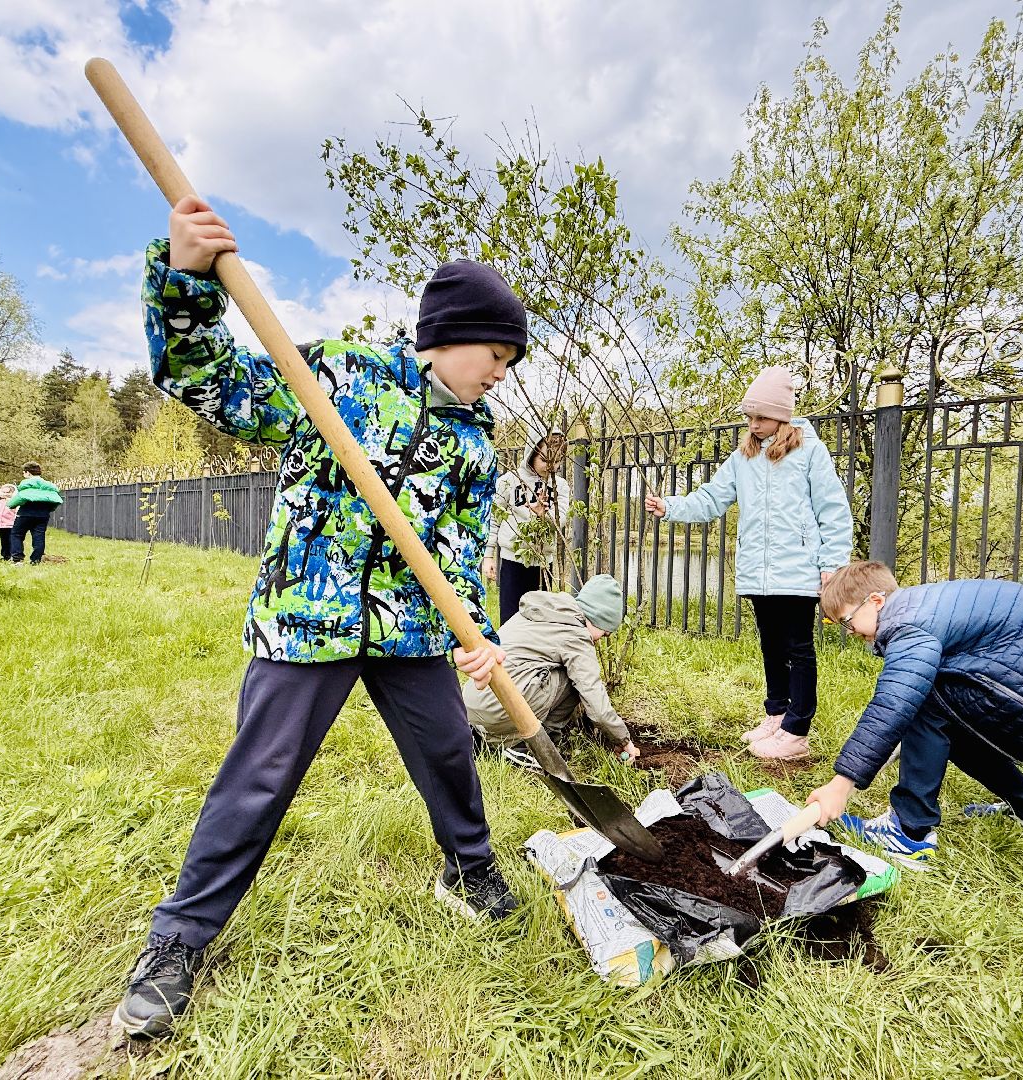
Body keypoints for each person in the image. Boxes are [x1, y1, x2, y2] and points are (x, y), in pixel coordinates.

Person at [113, 195, 528, 1039]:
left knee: (450, 751)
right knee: (258, 775)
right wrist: (187, 282)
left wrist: (475, 633)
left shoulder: (479, 444)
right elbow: (208, 381)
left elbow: (459, 548)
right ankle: (179, 940)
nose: (501, 373)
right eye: (497, 353)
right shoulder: (338, 374)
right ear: (449, 334)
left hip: (410, 624)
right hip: (311, 615)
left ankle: (469, 871)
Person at [804, 561, 1023, 870]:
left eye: (847, 621)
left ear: (876, 601)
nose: (849, 632)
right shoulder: (916, 605)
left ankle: (909, 833)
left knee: (925, 702)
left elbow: (894, 702)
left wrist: (841, 784)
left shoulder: (907, 622)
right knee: (957, 730)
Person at [645, 367, 851, 761]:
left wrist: (832, 563)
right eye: (750, 417)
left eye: (762, 417)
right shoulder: (744, 457)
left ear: (783, 416)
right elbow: (711, 499)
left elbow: (833, 509)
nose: (754, 425)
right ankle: (776, 715)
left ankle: (797, 731)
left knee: (798, 648)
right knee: (771, 647)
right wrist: (670, 506)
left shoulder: (809, 450)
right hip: (758, 571)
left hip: (797, 569)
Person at [464, 574, 640, 767]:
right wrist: (623, 739)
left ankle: (488, 739)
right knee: (576, 681)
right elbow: (596, 704)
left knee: (569, 673)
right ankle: (530, 746)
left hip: (472, 704)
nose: (603, 638)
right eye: (606, 632)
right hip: (498, 711)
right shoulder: (576, 634)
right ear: (597, 617)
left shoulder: (544, 610)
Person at [484, 427, 570, 623]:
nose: (552, 467)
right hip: (512, 561)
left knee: (539, 622)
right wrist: (488, 555)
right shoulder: (509, 481)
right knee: (511, 619)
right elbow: (494, 518)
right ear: (531, 453)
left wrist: (544, 515)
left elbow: (561, 519)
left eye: (557, 462)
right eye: (545, 460)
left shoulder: (560, 486)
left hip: (543, 563)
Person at [7, 463, 63, 564]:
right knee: (39, 536)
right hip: (42, 515)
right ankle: (36, 560)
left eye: (24, 472)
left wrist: (10, 504)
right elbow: (56, 501)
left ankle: (17, 559)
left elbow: (15, 502)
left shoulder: (26, 486)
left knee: (17, 534)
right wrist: (48, 509)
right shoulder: (48, 487)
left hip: (25, 514)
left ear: (28, 473)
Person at [0, 483, 17, 561]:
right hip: (1, 525)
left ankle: (12, 555)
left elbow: (17, 513)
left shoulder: (14, 502)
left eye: (8, 492)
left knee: (11, 541)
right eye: (4, 492)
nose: (6, 494)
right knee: (4, 541)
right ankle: (5, 556)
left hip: (11, 525)